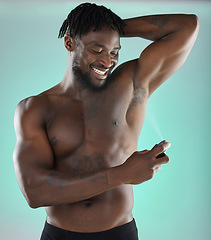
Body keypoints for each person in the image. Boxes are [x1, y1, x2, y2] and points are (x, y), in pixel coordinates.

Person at [13, 3, 199, 240]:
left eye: (114, 51)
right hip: (59, 235)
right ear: (70, 43)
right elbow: (34, 191)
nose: (107, 61)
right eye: (97, 49)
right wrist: (122, 174)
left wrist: (112, 27)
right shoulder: (35, 108)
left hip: (119, 233)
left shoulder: (131, 86)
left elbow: (186, 27)